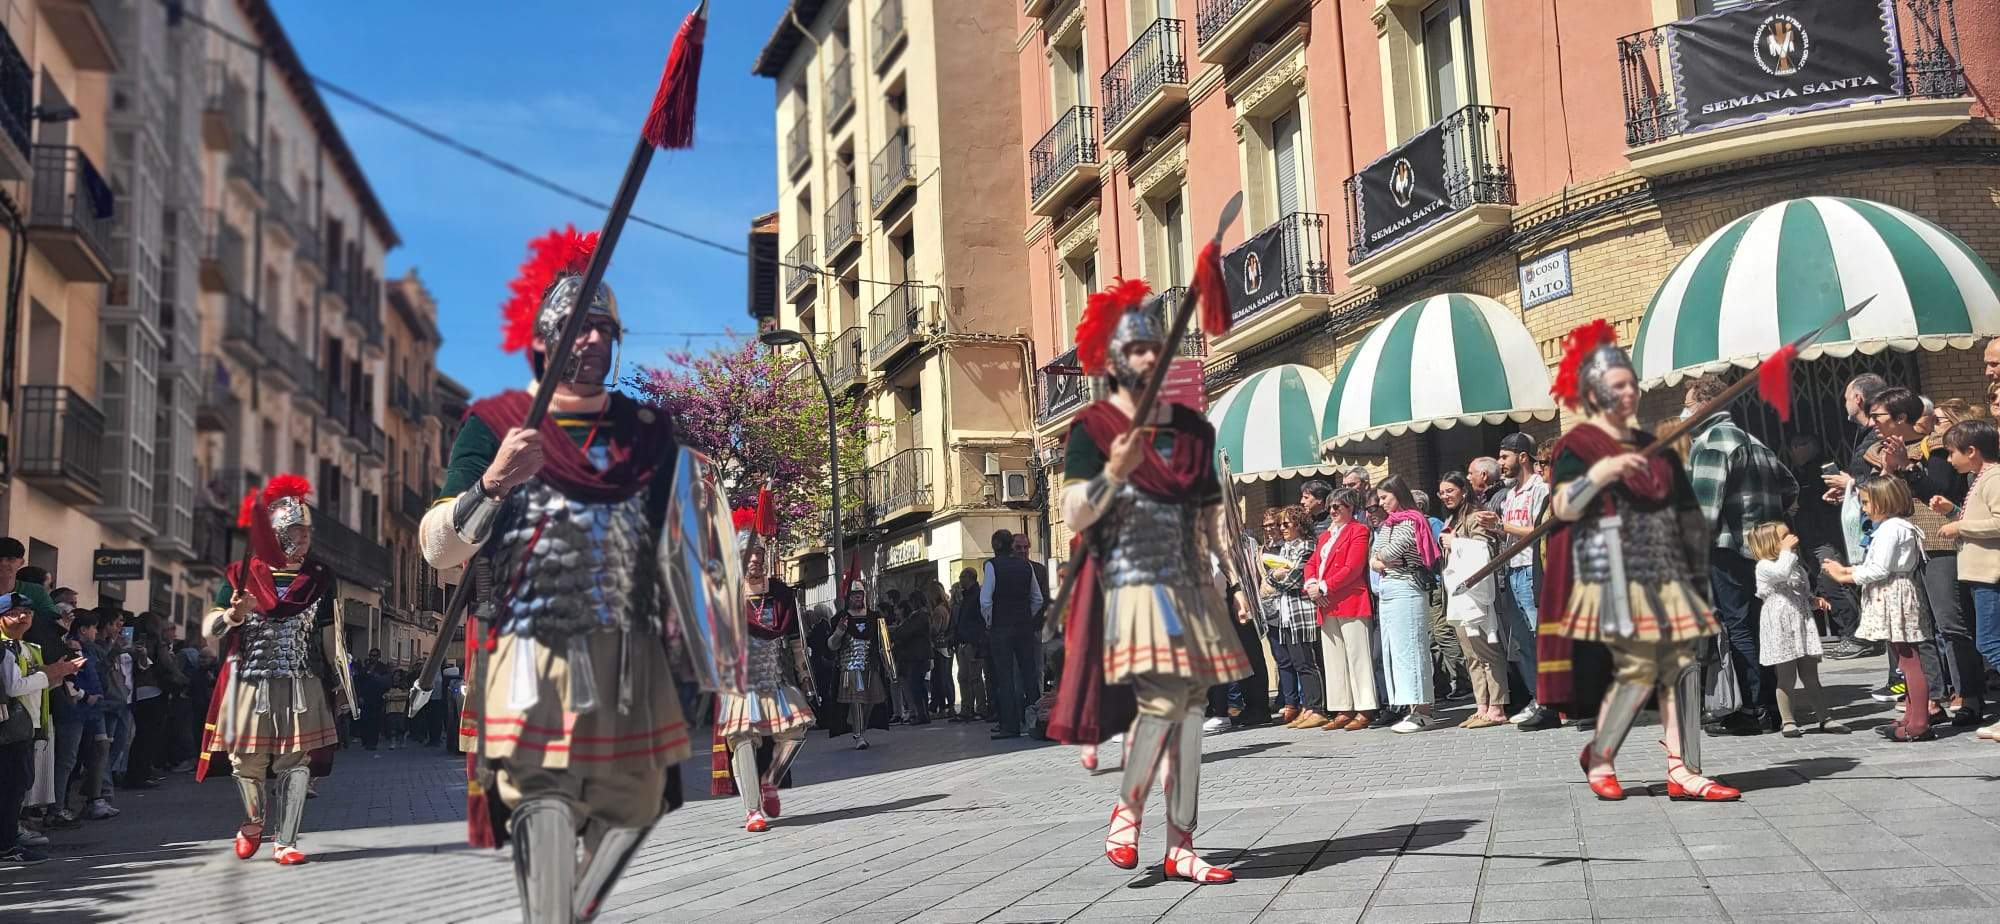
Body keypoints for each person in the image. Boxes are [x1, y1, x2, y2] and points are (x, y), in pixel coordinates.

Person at [419, 226, 691, 922]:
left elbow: (677, 545)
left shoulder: (643, 431)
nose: (592, 340)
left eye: (604, 327)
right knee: (542, 797)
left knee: (634, 803)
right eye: (577, 326)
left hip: (626, 652)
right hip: (527, 644)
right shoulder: (493, 424)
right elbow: (436, 547)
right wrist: (493, 483)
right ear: (543, 338)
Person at [1049, 278, 1249, 884]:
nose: (1147, 358)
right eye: (1136, 350)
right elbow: (1074, 515)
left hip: (1191, 582)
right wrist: (1113, 470)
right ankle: (1128, 808)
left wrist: (1235, 579)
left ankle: (1181, 843)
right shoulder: (1095, 429)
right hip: (1133, 583)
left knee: (1189, 711)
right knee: (1164, 701)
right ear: (1115, 361)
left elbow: (1213, 515)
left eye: (1153, 348)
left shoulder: (1194, 430)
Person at [1543, 320, 1737, 803]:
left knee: (1678, 665)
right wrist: (1601, 474)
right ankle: (1604, 754)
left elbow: (1686, 513)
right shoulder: (1578, 446)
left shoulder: (1656, 448)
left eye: (1631, 384)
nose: (1627, 393)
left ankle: (1681, 768)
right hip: (1608, 567)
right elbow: (1562, 509)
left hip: (1662, 568)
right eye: (1616, 386)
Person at [198, 475, 353, 866]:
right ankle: (252, 824)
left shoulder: (319, 578)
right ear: (277, 534)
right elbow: (210, 628)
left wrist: (341, 685)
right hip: (249, 681)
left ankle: (286, 840)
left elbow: (331, 637)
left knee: (295, 762)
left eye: (306, 535)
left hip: (301, 679)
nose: (303, 541)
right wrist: (233, 613)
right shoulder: (240, 574)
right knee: (246, 762)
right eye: (296, 534)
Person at [1683, 376, 1799, 735]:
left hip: (1728, 549)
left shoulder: (1712, 442)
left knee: (1738, 628)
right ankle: (1772, 705)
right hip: (1762, 552)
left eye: (1688, 403)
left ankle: (1753, 708)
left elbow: (1703, 511)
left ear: (1704, 405)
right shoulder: (1755, 441)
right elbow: (1791, 487)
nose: (1684, 412)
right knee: (1759, 625)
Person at [712, 506, 814, 833]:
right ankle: (752, 810)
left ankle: (770, 780)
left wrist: (804, 672)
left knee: (796, 731)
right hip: (741, 682)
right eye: (746, 554)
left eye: (757, 553)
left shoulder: (781, 594)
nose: (753, 559)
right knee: (743, 738)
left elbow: (796, 638)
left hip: (774, 677)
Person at [1822, 477, 1932, 741]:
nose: (1863, 508)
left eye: (1866, 502)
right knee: (1902, 659)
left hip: (1892, 593)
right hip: (1891, 591)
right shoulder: (1891, 527)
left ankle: (1918, 722)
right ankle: (1911, 714)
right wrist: (1848, 569)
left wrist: (1844, 576)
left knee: (1909, 660)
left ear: (1885, 501)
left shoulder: (1891, 528)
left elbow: (1880, 568)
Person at [3, 594, 83, 865]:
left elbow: (36, 686)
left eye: (28, 611)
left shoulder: (25, 647)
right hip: (9, 729)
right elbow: (14, 687)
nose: (24, 617)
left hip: (27, 727)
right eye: (15, 612)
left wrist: (60, 672)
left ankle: (9, 840)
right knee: (10, 788)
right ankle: (7, 845)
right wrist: (48, 674)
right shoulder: (6, 648)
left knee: (19, 786)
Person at [1747, 523, 1846, 737]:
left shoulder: (1795, 565)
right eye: (1784, 537)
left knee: (1810, 675)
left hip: (1801, 622)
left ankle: (1824, 718)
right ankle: (1788, 720)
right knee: (1786, 676)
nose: (1791, 538)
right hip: (1780, 625)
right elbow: (1780, 573)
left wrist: (1814, 601)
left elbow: (1800, 594)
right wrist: (1785, 553)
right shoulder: (1765, 566)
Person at [1937, 418, 2000, 739]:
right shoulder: (1981, 479)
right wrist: (1954, 513)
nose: (1949, 460)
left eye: (1951, 453)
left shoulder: (1993, 478)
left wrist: (1960, 527)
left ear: (1971, 451)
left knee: (1991, 642)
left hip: (1991, 574)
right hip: (1979, 574)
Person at [1495, 433, 1556, 730]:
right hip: (1511, 569)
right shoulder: (1510, 495)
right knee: (1522, 641)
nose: (1500, 463)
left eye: (1504, 457)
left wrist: (1501, 526)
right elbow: (1510, 532)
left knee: (1539, 636)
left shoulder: (1539, 488)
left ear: (1522, 457)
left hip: (1531, 568)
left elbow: (1536, 529)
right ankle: (1537, 696)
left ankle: (1551, 702)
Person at [1371, 476, 1440, 734]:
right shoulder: (1388, 524)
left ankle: (1423, 710)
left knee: (1411, 648)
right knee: (1395, 650)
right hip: (1389, 589)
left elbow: (1389, 553)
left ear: (1398, 494)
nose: (1382, 503)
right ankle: (1411, 707)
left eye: (1385, 498)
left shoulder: (1411, 520)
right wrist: (1380, 560)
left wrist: (1381, 560)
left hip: (1407, 587)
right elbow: (1374, 557)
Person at [1441, 474, 1508, 728]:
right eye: (1442, 492)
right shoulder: (1453, 518)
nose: (1446, 496)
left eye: (1450, 491)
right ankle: (1482, 705)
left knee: (1487, 650)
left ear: (1463, 490)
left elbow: (1485, 551)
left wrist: (1456, 542)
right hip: (1458, 595)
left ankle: (1497, 706)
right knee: (1471, 654)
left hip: (1477, 593)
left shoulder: (1476, 515)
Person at [1307, 488, 1376, 731]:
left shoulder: (1359, 530)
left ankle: (1365, 707)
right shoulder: (1325, 536)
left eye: (1339, 506)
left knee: (1358, 655)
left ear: (1351, 508)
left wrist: (1325, 587)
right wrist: (1312, 584)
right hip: (1327, 603)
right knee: (1334, 658)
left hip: (1350, 599)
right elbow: (1313, 562)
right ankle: (1343, 707)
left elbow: (1352, 567)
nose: (1333, 511)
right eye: (1331, 506)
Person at [1265, 506, 1328, 730]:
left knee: (1307, 662)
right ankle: (1307, 706)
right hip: (1287, 611)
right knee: (1296, 661)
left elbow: (1294, 579)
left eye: (1286, 524)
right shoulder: (1286, 548)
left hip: (1302, 612)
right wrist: (1276, 575)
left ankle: (1317, 707)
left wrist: (1278, 576)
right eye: (1280, 524)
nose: (1281, 529)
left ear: (1299, 525)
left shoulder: (1307, 545)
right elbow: (1271, 576)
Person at [982, 530, 1044, 740]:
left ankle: (1010, 726)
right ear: (1011, 546)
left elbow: (986, 600)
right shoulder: (1026, 567)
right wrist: (1026, 616)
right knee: (1029, 674)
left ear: (995, 545)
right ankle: (1037, 721)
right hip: (1024, 627)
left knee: (1005, 677)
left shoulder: (992, 566)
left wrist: (991, 622)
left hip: (1001, 628)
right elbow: (1037, 598)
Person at [829, 582, 893, 749]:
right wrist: (839, 631)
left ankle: (860, 727)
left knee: (870, 701)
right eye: (854, 594)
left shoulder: (875, 617)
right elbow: (831, 646)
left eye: (860, 594)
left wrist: (890, 668)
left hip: (870, 666)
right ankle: (859, 736)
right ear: (848, 597)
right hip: (850, 667)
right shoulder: (840, 619)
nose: (857, 597)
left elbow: (884, 643)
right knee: (856, 701)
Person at [951, 569, 988, 722]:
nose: (960, 580)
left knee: (975, 677)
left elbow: (979, 620)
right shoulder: (965, 597)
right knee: (962, 677)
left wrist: (977, 640)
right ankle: (966, 708)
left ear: (970, 578)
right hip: (962, 642)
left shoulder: (977, 595)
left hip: (973, 642)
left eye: (962, 577)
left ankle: (981, 708)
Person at [925, 580, 954, 719]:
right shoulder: (947, 607)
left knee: (938, 678)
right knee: (946, 677)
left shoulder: (937, 610)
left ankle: (942, 707)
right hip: (946, 646)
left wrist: (928, 628)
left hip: (938, 646)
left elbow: (935, 629)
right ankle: (950, 705)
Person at [383, 672, 411, 750]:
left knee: (401, 727)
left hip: (401, 709)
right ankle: (393, 742)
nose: (396, 677)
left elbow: (405, 696)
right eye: (395, 675)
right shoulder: (389, 686)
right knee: (392, 726)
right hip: (391, 709)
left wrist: (392, 697)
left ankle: (402, 741)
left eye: (398, 676)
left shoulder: (404, 686)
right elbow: (385, 696)